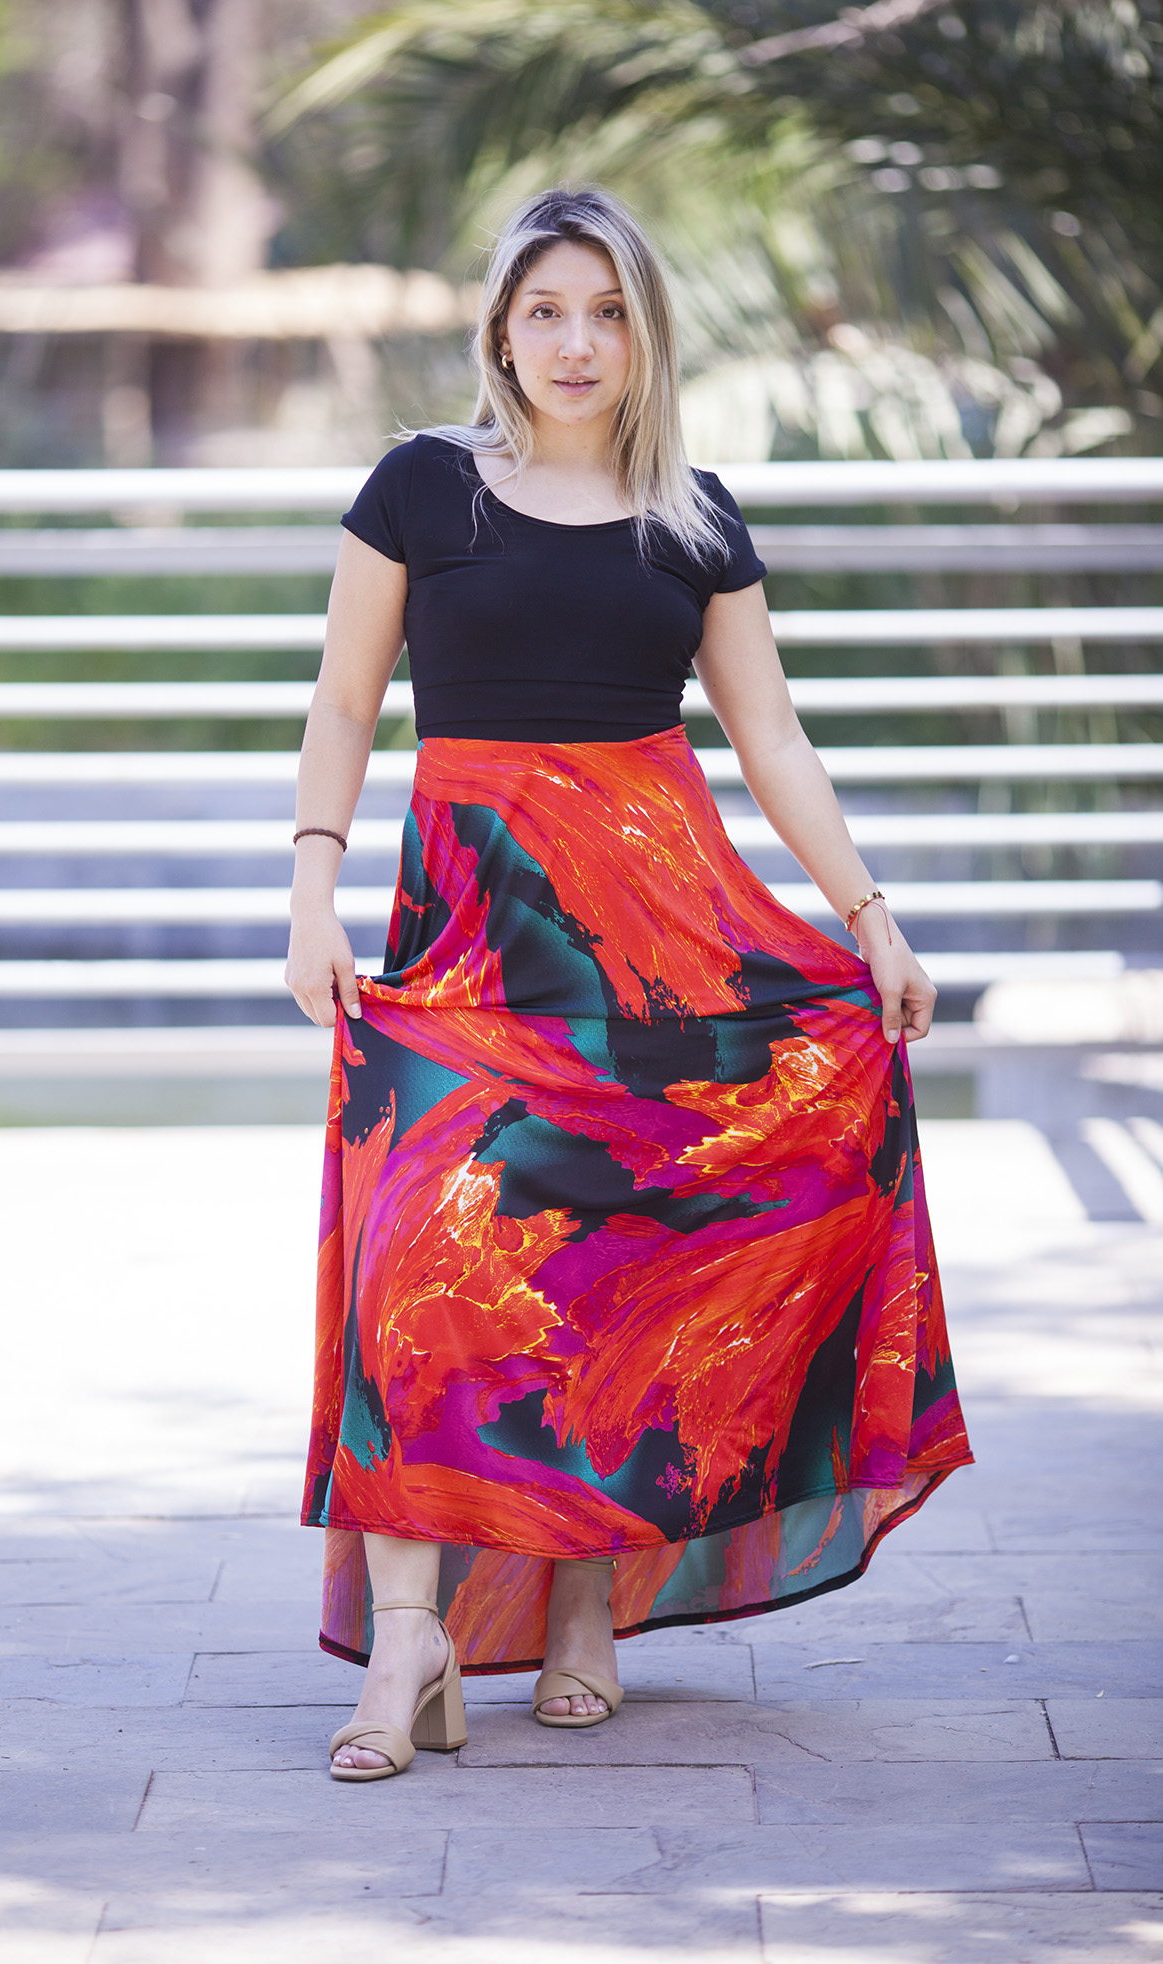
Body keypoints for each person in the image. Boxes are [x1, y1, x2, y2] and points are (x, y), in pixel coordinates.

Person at [285, 185, 972, 1782]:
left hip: (665, 957)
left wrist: (868, 919)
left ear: (646, 334)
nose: (574, 343)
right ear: (498, 328)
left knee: (618, 1280)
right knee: (416, 1270)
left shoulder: (695, 518)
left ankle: (587, 1612)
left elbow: (767, 734)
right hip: (462, 949)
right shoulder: (420, 488)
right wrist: (311, 895)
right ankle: (409, 1639)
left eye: (605, 313)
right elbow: (341, 702)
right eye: (544, 310)